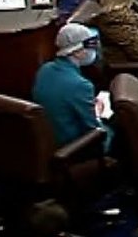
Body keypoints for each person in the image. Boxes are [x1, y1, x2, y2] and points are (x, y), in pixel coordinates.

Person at [31, 22, 111, 151]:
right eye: (91, 46)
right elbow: (93, 130)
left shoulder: (44, 70)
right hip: (72, 147)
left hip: (47, 141)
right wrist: (97, 114)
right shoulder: (81, 85)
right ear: (77, 52)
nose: (94, 50)